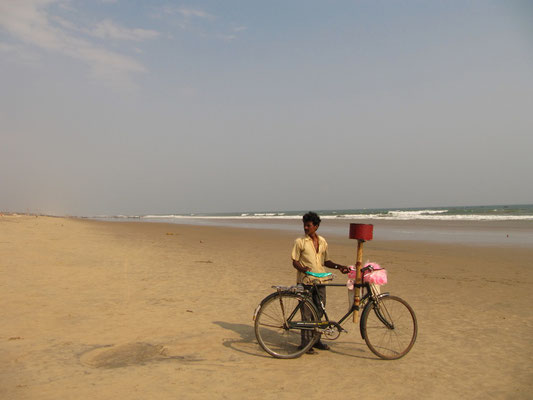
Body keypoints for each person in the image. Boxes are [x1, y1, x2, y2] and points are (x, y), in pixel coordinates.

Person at [291, 211, 349, 354]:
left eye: (308, 225)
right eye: (304, 225)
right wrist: (302, 269)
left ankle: (316, 340)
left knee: (320, 310)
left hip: (320, 281)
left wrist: (339, 267)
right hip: (305, 282)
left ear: (316, 226)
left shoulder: (322, 241)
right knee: (306, 314)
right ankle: (305, 344)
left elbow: (326, 261)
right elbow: (295, 261)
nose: (305, 228)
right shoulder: (300, 242)